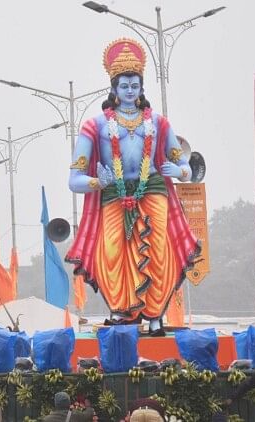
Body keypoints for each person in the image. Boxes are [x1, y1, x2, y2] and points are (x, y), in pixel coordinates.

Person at [66, 38, 199, 335]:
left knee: (156, 250)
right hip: (113, 193)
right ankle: (121, 311)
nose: (129, 91)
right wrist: (98, 182)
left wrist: (178, 170)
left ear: (141, 88)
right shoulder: (95, 125)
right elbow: (74, 180)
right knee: (112, 251)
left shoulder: (159, 123)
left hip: (152, 190)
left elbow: (186, 168)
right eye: (124, 86)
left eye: (134, 86)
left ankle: (155, 315)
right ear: (114, 88)